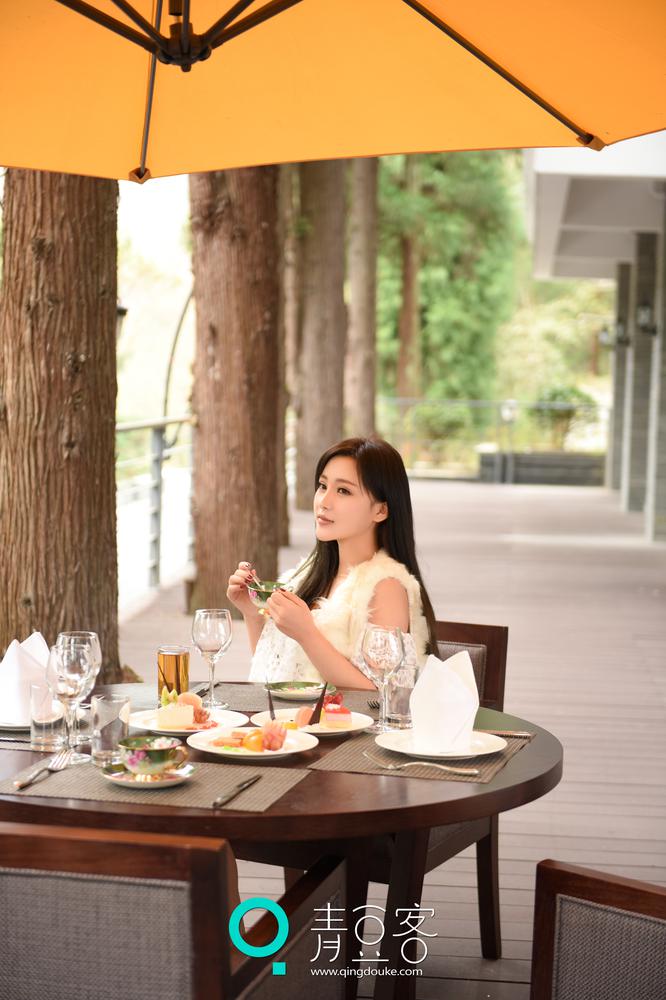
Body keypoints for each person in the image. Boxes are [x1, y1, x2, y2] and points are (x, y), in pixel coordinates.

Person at [227, 437, 438, 689]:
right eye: (323, 486)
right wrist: (253, 613)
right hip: (287, 715)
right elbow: (277, 674)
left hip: (340, 717)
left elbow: (382, 692)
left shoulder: (386, 587)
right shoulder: (304, 575)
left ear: (381, 510)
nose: (324, 502)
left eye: (343, 491)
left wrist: (307, 634)